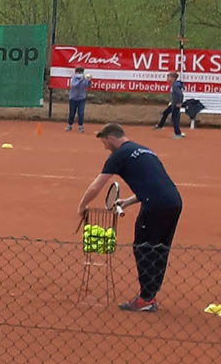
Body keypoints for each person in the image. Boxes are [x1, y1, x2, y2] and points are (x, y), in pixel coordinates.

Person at [76, 123, 182, 312]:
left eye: (104, 144)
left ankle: (146, 299)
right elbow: (153, 183)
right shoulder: (145, 150)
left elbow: (96, 186)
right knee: (160, 249)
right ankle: (150, 294)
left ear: (110, 138)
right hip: (173, 202)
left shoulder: (118, 156)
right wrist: (127, 202)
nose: (105, 148)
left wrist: (82, 205)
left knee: (143, 248)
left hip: (155, 205)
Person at [153, 72, 186, 139]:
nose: (167, 79)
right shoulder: (175, 85)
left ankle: (178, 134)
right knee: (166, 112)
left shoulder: (175, 86)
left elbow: (180, 94)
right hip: (173, 104)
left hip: (176, 105)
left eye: (169, 77)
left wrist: (179, 103)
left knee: (175, 118)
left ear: (173, 78)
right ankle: (160, 125)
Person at [66, 67, 91, 132]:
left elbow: (88, 86)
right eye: (79, 72)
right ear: (76, 72)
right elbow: (75, 85)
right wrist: (81, 80)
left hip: (81, 98)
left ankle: (81, 127)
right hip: (73, 98)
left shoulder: (84, 78)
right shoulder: (73, 78)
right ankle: (69, 126)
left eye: (81, 72)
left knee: (81, 113)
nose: (80, 74)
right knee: (72, 113)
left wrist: (89, 80)